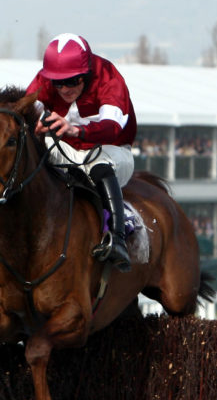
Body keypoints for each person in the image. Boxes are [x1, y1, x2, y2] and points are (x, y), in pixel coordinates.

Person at [27, 33, 137, 272]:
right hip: (68, 150)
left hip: (112, 149)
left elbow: (112, 127)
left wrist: (76, 131)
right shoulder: (45, 80)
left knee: (99, 166)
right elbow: (25, 109)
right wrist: (30, 124)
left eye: (73, 81)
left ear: (86, 73)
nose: (64, 89)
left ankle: (117, 238)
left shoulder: (109, 78)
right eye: (58, 83)